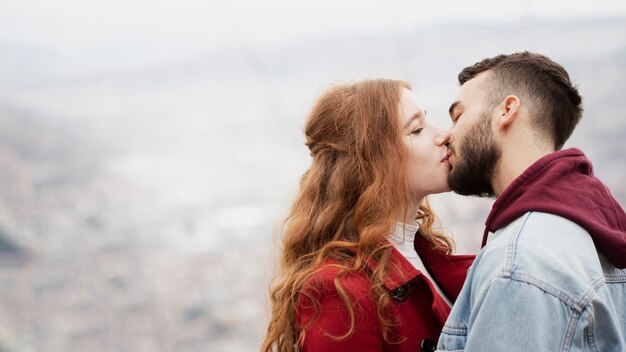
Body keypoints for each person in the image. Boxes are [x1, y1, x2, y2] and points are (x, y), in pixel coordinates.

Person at [261, 79, 474, 352]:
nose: (443, 135)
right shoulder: (339, 292)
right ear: (371, 159)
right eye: (417, 129)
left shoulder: (426, 253)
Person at [437, 51, 626, 351]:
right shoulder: (593, 226)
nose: (446, 136)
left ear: (506, 110)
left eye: (458, 116)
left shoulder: (519, 264)